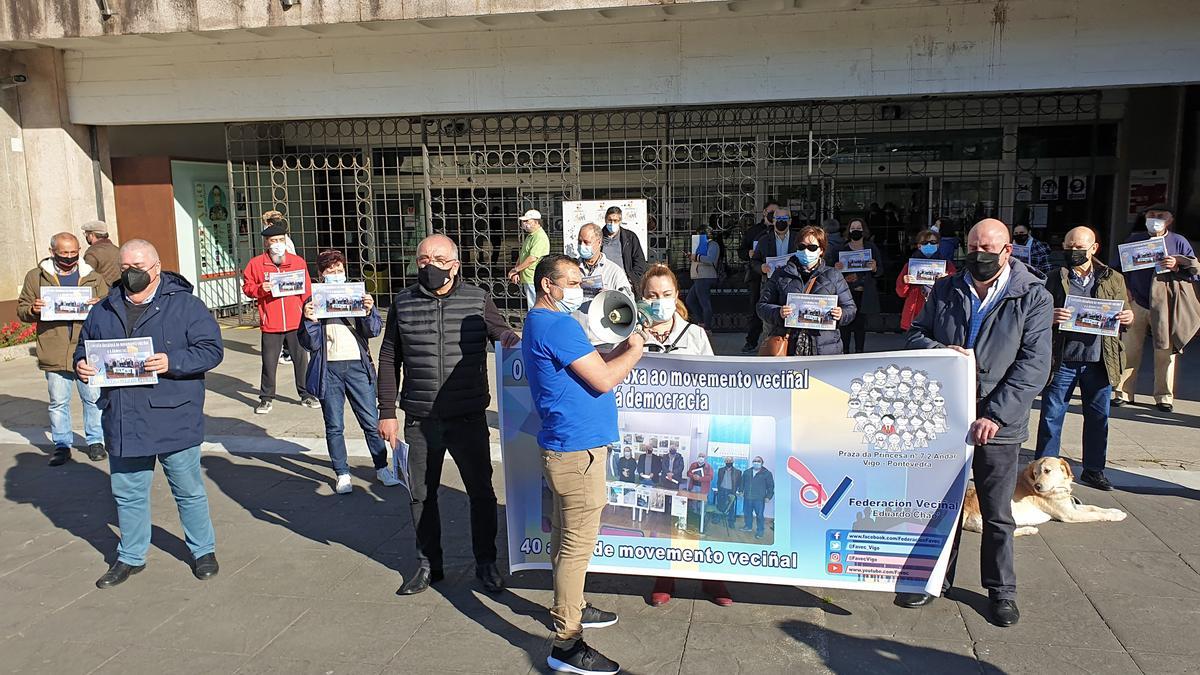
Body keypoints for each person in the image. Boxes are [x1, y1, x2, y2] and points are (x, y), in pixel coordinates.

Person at [898, 218, 1052, 628]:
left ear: (1007, 251)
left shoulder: (1032, 296)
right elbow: (914, 334)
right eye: (971, 246)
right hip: (945, 415)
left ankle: (1001, 592)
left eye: (987, 248)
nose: (978, 255)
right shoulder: (947, 288)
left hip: (1000, 422)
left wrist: (996, 415)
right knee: (938, 504)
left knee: (997, 511)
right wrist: (942, 350)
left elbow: (1034, 366)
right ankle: (932, 579)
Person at [523, 253, 648, 675]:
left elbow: (582, 364)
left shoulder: (540, 320)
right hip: (578, 451)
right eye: (572, 281)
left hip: (567, 448)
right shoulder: (557, 325)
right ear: (547, 285)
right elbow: (604, 378)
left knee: (564, 538)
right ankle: (567, 642)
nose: (579, 288)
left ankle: (571, 606)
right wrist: (635, 348)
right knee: (576, 547)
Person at [74, 240, 224, 589]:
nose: (132, 273)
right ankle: (130, 556)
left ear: (157, 267)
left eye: (138, 266)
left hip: (174, 413)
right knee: (127, 493)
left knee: (187, 490)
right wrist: (81, 364)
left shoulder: (186, 305)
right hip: (124, 417)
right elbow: (85, 346)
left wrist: (173, 363)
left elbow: (211, 350)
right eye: (125, 267)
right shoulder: (104, 309)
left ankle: (203, 551)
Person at [376, 234, 521, 596]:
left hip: (468, 416)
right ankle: (428, 565)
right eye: (423, 259)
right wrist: (386, 411)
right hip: (420, 418)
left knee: (481, 494)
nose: (430, 266)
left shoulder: (477, 299)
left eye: (438, 259)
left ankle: (486, 563)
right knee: (421, 496)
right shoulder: (403, 302)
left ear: (455, 264)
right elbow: (389, 357)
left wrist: (507, 336)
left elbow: (499, 329)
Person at [1034, 227, 1134, 491]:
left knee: (1098, 418)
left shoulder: (1112, 278)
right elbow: (1038, 314)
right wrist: (1050, 317)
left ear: (1093, 248)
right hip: (1063, 359)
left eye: (1078, 247)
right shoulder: (1056, 277)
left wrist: (1128, 318)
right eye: (1068, 247)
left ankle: (1094, 470)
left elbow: (1125, 312)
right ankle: (1044, 471)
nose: (1073, 252)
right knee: (1051, 418)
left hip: (1100, 360)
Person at [298, 250, 399, 494]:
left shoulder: (357, 295)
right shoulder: (313, 302)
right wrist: (309, 320)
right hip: (328, 368)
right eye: (330, 271)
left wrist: (368, 311)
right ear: (321, 275)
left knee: (370, 420)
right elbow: (310, 344)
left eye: (339, 270)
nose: (336, 275)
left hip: (356, 366)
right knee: (334, 425)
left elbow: (373, 331)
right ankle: (342, 472)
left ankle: (381, 467)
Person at [17, 233, 109, 465]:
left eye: (73, 252)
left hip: (87, 350)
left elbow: (110, 307)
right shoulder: (36, 277)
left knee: (93, 399)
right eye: (64, 253)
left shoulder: (93, 277)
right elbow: (22, 309)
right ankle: (61, 444)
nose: (69, 257)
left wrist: (101, 305)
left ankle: (96, 441)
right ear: (52, 252)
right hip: (54, 348)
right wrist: (34, 310)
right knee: (58, 401)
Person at [1111, 204, 1200, 412]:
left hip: (1165, 305)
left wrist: (1177, 264)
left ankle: (1163, 396)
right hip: (1136, 303)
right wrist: (1125, 291)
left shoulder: (1178, 241)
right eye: (1151, 215)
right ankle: (1123, 392)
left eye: (1161, 216)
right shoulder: (1134, 240)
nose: (1155, 219)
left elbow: (1194, 271)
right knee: (1130, 349)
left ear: (1169, 220)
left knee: (1165, 352)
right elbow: (1116, 269)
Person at [241, 219, 317, 413]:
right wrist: (260, 289)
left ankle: (306, 394)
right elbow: (247, 288)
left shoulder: (297, 262)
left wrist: (309, 311)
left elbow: (306, 289)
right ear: (266, 242)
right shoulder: (256, 264)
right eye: (273, 240)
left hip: (295, 320)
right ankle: (266, 398)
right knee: (269, 361)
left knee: (301, 359)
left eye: (280, 239)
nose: (277, 243)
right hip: (271, 323)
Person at [758, 225, 856, 356]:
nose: (806, 251)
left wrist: (841, 314)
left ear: (821, 250)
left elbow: (850, 308)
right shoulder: (780, 274)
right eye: (801, 247)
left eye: (812, 247)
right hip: (789, 346)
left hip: (824, 348)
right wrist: (778, 312)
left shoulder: (833, 275)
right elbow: (762, 306)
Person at [830, 218, 884, 353]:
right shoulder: (841, 249)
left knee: (861, 325)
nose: (856, 231)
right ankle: (845, 353)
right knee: (845, 325)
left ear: (863, 230)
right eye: (853, 228)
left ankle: (859, 352)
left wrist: (875, 268)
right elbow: (831, 272)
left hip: (864, 293)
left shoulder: (871, 247)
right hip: (846, 293)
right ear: (848, 230)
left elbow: (881, 271)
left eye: (859, 228)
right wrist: (837, 269)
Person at [896, 229, 957, 331]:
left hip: (939, 311)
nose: (929, 245)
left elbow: (955, 290)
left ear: (938, 245)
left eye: (933, 242)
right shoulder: (909, 266)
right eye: (925, 243)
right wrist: (905, 282)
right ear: (919, 246)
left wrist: (947, 279)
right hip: (915, 312)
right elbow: (900, 293)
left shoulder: (947, 266)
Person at [740, 201, 777, 353]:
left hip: (777, 277)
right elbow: (741, 251)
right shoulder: (754, 231)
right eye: (771, 212)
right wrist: (748, 254)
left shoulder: (782, 231)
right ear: (764, 212)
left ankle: (774, 342)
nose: (773, 215)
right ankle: (752, 341)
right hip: (757, 277)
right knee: (755, 309)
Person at [574, 223, 632, 298]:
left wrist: (611, 296)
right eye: (579, 242)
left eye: (586, 242)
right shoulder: (572, 268)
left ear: (599, 242)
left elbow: (628, 299)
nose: (582, 246)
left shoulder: (615, 271)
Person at [508, 209, 549, 309]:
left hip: (533, 277)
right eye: (524, 221)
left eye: (527, 221)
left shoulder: (540, 237)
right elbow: (523, 255)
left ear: (536, 222)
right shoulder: (531, 236)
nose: (524, 224)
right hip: (527, 277)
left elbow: (532, 258)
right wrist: (517, 270)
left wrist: (516, 269)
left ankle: (535, 323)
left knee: (534, 305)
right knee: (532, 304)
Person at [601, 205, 648, 286]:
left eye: (615, 220)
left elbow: (639, 261)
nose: (612, 223)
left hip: (623, 282)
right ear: (605, 219)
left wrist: (632, 279)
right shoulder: (598, 236)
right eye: (610, 220)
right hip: (603, 281)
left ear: (620, 221)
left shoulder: (630, 237)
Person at [686, 226, 721, 330]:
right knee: (690, 300)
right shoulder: (702, 245)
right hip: (699, 276)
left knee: (704, 302)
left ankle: (707, 327)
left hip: (705, 276)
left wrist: (696, 257)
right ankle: (702, 322)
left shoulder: (713, 244)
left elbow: (710, 259)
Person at [739, 456, 774, 539]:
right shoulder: (747, 472)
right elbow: (742, 483)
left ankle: (760, 531)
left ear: (762, 463)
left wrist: (768, 497)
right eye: (754, 461)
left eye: (758, 461)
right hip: (748, 497)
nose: (756, 462)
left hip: (759, 499)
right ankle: (748, 526)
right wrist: (740, 491)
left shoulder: (767, 473)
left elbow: (771, 487)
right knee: (747, 513)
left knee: (759, 516)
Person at [81, 220, 120, 285]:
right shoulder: (117, 249)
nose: (86, 237)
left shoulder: (92, 253)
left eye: (86, 234)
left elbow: (86, 276)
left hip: (102, 293)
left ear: (91, 235)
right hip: (118, 291)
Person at [714, 456, 742, 529]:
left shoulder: (738, 472)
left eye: (730, 461)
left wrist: (738, 491)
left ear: (733, 462)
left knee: (731, 507)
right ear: (725, 462)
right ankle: (717, 518)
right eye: (727, 461)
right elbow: (719, 481)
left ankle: (731, 522)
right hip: (722, 490)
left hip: (731, 491)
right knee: (720, 505)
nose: (728, 462)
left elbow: (739, 483)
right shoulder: (720, 470)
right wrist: (718, 489)